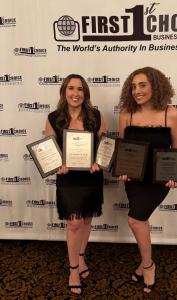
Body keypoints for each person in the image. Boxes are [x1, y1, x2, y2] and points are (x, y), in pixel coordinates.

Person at [118, 67, 177, 293]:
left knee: (136, 220)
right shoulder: (126, 113)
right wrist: (122, 169)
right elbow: (123, 147)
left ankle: (148, 265)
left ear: (155, 85)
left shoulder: (170, 113)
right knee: (139, 221)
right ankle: (145, 264)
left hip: (157, 181)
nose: (137, 90)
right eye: (133, 86)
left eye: (142, 85)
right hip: (134, 180)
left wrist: (173, 175)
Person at [45, 74, 106, 295]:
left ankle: (81, 257)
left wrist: (98, 162)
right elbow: (49, 151)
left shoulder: (96, 116)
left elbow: (105, 147)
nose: (76, 93)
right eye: (71, 88)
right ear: (64, 92)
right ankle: (73, 270)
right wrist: (56, 165)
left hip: (91, 177)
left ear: (85, 93)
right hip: (68, 179)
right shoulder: (53, 118)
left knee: (87, 220)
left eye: (80, 89)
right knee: (74, 224)